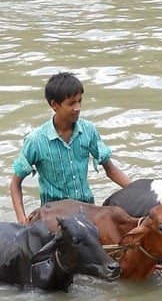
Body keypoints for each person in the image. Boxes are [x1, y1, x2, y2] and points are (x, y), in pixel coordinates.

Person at [10, 72, 131, 224]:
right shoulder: (36, 141)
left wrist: (139, 190)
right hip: (53, 217)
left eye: (80, 101)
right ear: (54, 105)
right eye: (71, 103)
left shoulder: (89, 131)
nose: (78, 108)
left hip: (87, 211)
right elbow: (15, 183)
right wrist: (22, 220)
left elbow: (111, 170)